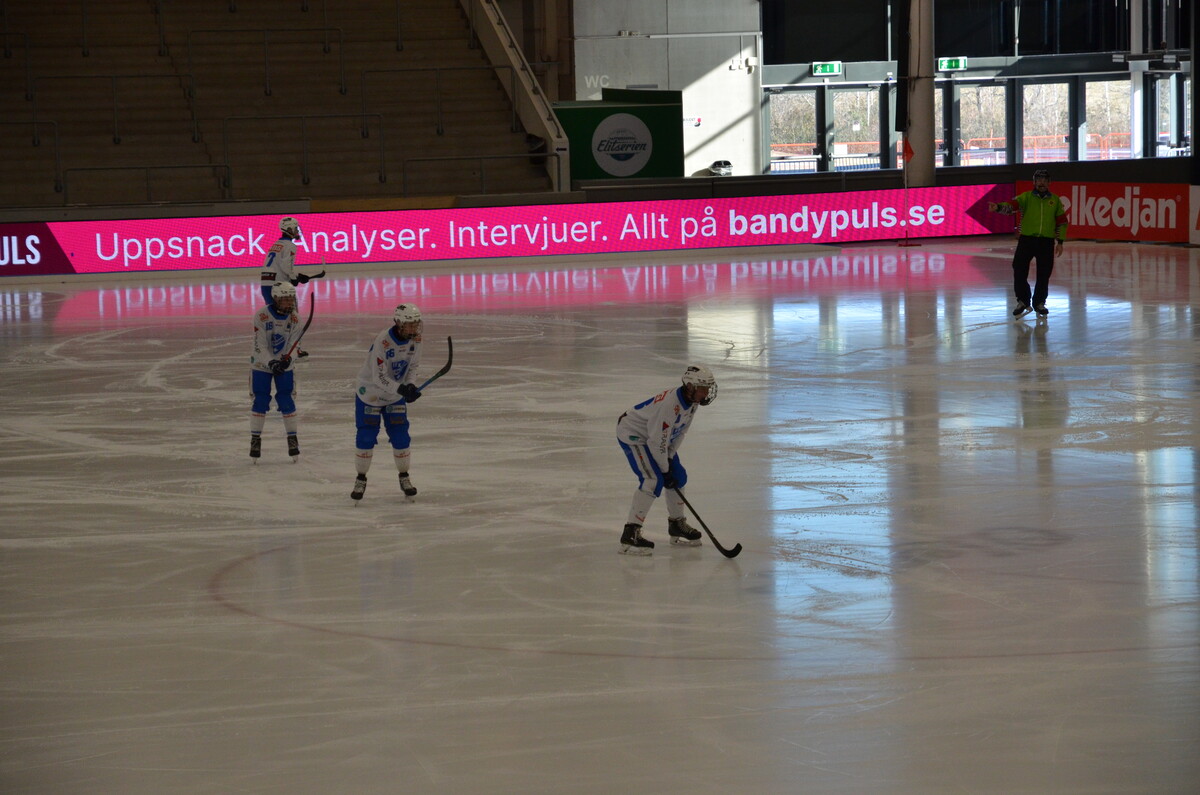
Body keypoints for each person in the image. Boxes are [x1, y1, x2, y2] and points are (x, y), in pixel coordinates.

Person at [614, 365, 717, 555]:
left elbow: (680, 433)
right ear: (690, 386)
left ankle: (676, 524)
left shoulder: (692, 401)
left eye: (707, 389)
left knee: (678, 476)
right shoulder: (670, 405)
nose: (706, 393)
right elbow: (656, 441)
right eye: (703, 388)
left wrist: (669, 460)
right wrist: (664, 469)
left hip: (654, 438)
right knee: (653, 480)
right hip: (634, 434)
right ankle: (630, 533)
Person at [350, 304, 425, 501]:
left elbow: (413, 366)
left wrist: (410, 385)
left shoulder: (416, 339)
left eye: (416, 324)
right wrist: (402, 389)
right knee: (366, 437)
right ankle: (361, 478)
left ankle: (404, 477)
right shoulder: (383, 341)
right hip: (370, 394)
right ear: (399, 323)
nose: (414, 328)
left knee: (401, 436)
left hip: (394, 394)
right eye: (409, 324)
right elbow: (379, 377)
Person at [988, 168, 1068, 318]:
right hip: (1027, 240)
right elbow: (1012, 206)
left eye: (1044, 180)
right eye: (1039, 180)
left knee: (1044, 273)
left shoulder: (1055, 200)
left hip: (1046, 242)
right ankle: (1023, 300)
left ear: (1049, 183)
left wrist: (1060, 242)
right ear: (1034, 182)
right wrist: (998, 207)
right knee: (1019, 268)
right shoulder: (1026, 197)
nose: (1041, 183)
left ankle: (1039, 302)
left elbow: (1062, 222)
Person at [249, 282, 302, 461]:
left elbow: (294, 346)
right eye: (286, 299)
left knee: (286, 399)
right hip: (261, 364)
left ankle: (292, 438)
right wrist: (271, 362)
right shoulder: (261, 316)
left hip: (284, 365)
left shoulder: (295, 319)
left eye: (291, 299)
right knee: (260, 399)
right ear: (276, 299)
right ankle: (255, 439)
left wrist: (288, 360)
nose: (290, 303)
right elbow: (260, 346)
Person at [260, 216, 317, 356]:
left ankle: (274, 348)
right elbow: (286, 266)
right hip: (279, 288)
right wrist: (294, 278)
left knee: (274, 317)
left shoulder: (275, 245)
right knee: (293, 317)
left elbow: (278, 266)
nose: (297, 231)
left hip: (266, 284)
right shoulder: (290, 245)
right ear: (289, 229)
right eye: (295, 228)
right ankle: (295, 350)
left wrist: (295, 276)